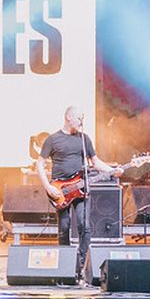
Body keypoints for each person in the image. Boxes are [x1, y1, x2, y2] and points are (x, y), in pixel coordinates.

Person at [35, 106, 127, 285]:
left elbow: (95, 162)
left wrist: (112, 171)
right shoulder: (53, 139)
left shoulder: (84, 139)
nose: (81, 122)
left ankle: (82, 265)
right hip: (60, 189)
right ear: (68, 117)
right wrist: (47, 186)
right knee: (64, 226)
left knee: (84, 225)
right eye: (78, 118)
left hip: (80, 189)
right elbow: (40, 164)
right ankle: (64, 267)